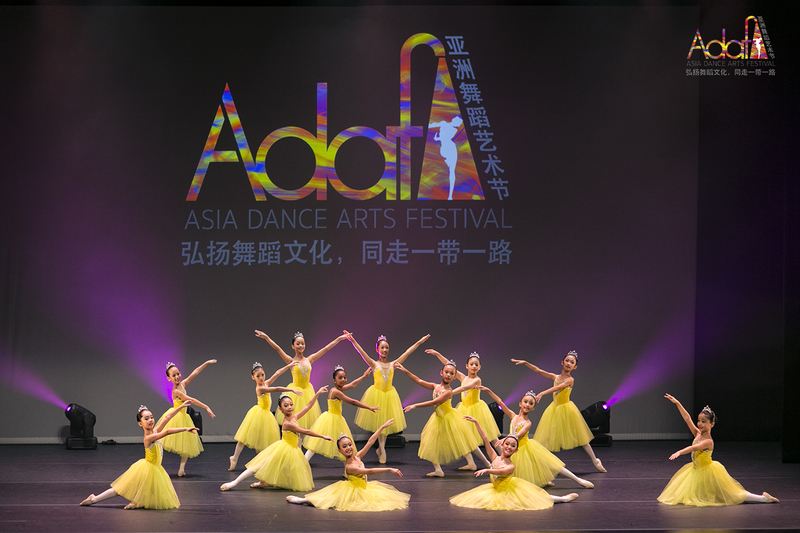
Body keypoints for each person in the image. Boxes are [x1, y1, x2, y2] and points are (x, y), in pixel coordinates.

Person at [657, 394, 779, 506]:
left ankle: (764, 498)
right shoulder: (698, 434)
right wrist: (677, 403)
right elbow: (687, 418)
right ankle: (763, 498)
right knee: (716, 496)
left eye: (703, 421)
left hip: (708, 473)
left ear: (712, 424)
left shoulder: (708, 442)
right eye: (699, 421)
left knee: (732, 495)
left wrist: (679, 452)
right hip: (697, 471)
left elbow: (694, 447)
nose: (699, 424)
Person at [80, 402, 197, 509]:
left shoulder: (155, 431)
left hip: (156, 469)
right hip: (147, 468)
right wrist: (185, 428)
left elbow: (167, 417)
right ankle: (94, 499)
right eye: (146, 418)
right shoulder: (148, 438)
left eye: (151, 417)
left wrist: (180, 407)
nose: (150, 420)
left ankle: (137, 502)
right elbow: (167, 431)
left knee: (152, 490)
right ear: (140, 423)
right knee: (120, 489)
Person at [449, 416, 579, 510]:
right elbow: (485, 438)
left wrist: (487, 470)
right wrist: (476, 422)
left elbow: (500, 471)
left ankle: (564, 499)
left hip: (510, 490)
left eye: (513, 446)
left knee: (535, 498)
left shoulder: (511, 466)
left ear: (516, 450)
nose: (509, 447)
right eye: (507, 444)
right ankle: (563, 498)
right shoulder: (494, 457)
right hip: (495, 490)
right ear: (502, 444)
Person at [479, 386, 593, 488]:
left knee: (553, 465)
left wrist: (505, 439)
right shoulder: (513, 416)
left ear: (533, 408)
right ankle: (544, 481)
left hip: (526, 448)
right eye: (525, 402)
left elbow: (517, 435)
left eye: (531, 403)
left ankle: (579, 480)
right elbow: (500, 402)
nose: (527, 405)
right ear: (520, 403)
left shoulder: (527, 423)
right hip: (515, 451)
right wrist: (489, 390)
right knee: (521, 478)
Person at [220, 388, 332, 492]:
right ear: (280, 409)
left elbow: (308, 407)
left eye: (291, 404)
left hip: (292, 450)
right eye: (286, 405)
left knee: (282, 470)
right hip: (283, 449)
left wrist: (317, 394)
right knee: (259, 465)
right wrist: (323, 436)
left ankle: (263, 482)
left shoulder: (294, 418)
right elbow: (306, 431)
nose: (289, 407)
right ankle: (234, 483)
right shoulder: (287, 424)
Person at [286, 419, 410, 511]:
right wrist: (389, 469)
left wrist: (382, 427)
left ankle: (302, 500)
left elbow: (370, 441)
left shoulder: (358, 456)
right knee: (328, 500)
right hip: (352, 491)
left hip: (364, 488)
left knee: (331, 499)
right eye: (344, 446)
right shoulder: (349, 467)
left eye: (350, 445)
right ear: (340, 451)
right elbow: (369, 471)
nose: (348, 448)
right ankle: (300, 500)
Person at [512, 351, 606, 472]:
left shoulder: (570, 380)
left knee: (582, 438)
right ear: (562, 362)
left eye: (572, 362)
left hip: (567, 410)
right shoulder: (555, 377)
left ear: (575, 367)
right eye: (567, 360)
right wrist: (525, 363)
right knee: (545, 438)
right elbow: (539, 370)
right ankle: (539, 464)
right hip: (554, 410)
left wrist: (542, 393)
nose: (569, 363)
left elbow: (557, 387)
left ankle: (595, 460)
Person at [346, 332, 429, 463]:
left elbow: (407, 352)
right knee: (380, 423)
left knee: (385, 422)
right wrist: (352, 340)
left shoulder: (393, 364)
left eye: (387, 347)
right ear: (377, 349)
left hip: (389, 396)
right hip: (376, 395)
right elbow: (361, 352)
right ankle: (382, 449)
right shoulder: (374, 364)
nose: (385, 350)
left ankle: (381, 448)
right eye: (382, 347)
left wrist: (420, 341)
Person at [254, 329, 349, 441]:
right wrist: (266, 337)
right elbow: (277, 348)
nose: (300, 346)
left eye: (302, 343)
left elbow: (326, 349)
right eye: (298, 343)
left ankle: (301, 448)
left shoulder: (310, 359)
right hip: (295, 393)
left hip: (307, 392)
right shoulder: (290, 361)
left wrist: (339, 338)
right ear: (293, 346)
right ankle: (295, 446)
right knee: (295, 424)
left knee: (304, 425)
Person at [396, 360, 481, 476]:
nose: (448, 375)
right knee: (432, 443)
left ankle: (485, 463)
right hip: (438, 419)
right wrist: (405, 370)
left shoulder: (449, 392)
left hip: (449, 418)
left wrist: (415, 405)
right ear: (441, 373)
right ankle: (438, 470)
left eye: (451, 374)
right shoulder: (435, 386)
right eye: (446, 372)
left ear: (454, 377)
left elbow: (433, 402)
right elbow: (418, 380)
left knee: (463, 441)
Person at [427, 349, 496, 469]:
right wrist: (437, 354)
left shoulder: (477, 380)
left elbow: (465, 388)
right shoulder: (462, 377)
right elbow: (449, 365)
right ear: (466, 366)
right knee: (463, 437)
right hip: (464, 409)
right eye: (471, 364)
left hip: (477, 410)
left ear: (479, 367)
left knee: (492, 437)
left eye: (476, 364)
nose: (474, 366)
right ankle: (471, 463)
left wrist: (448, 393)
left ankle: (502, 459)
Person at [228, 361, 302, 471]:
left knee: (261, 441)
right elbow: (276, 389)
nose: (261, 378)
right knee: (244, 437)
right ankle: (234, 458)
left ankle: (259, 463)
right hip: (258, 414)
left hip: (266, 415)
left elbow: (277, 373)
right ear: (253, 377)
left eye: (262, 375)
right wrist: (291, 389)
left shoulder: (265, 384)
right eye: (258, 376)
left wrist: (288, 366)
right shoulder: (260, 388)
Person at [304, 365, 377, 461]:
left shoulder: (338, 389)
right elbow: (352, 402)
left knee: (344, 443)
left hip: (336, 418)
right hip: (332, 419)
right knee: (317, 443)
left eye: (345, 377)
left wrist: (363, 376)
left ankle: (349, 466)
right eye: (340, 378)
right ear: (334, 380)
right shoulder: (336, 392)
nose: (343, 380)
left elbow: (352, 385)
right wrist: (368, 407)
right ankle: (304, 462)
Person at [158, 359, 216, 476]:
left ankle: (181, 470)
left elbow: (194, 373)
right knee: (161, 441)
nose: (177, 377)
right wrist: (206, 407)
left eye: (178, 374)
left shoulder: (183, 384)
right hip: (175, 417)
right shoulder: (176, 391)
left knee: (186, 444)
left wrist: (206, 363)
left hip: (184, 417)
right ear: (169, 378)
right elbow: (191, 400)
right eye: (173, 375)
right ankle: (157, 464)